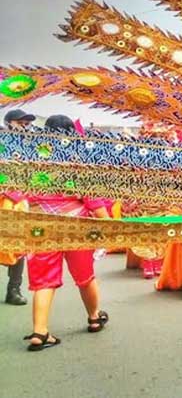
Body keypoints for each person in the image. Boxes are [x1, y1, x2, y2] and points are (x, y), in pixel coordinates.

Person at [23, 115, 111, 351]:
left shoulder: (32, 160)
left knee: (43, 281)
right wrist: (110, 225)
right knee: (85, 277)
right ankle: (94, 317)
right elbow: (93, 199)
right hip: (76, 229)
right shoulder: (76, 161)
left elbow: (22, 195)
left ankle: (39, 332)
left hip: (41, 227)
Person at [2, 109, 35, 306]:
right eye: (20, 122)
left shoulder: (29, 146)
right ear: (8, 123)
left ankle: (13, 289)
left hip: (18, 200)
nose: (24, 125)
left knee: (19, 244)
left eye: (26, 122)